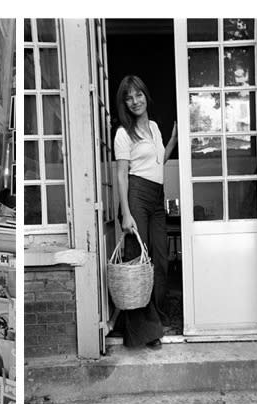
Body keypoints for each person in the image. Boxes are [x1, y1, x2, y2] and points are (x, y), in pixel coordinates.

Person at [114, 75, 178, 350]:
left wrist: (173, 140)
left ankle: (158, 318)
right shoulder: (123, 133)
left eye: (138, 94)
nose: (135, 101)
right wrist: (126, 213)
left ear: (145, 95)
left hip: (156, 197)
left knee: (160, 260)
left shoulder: (153, 127)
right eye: (129, 97)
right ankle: (144, 333)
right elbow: (121, 175)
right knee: (139, 261)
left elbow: (158, 161)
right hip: (137, 195)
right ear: (124, 104)